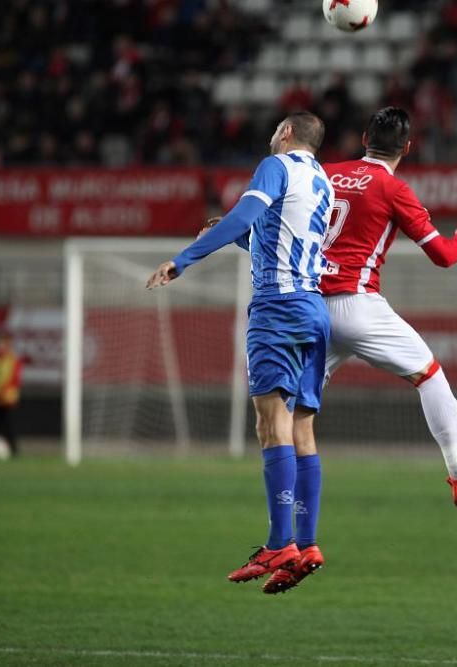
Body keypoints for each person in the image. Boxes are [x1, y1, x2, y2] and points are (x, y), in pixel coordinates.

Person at [146, 112, 331, 596]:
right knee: (301, 428)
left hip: (277, 307)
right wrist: (242, 238)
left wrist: (182, 259)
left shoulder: (278, 165)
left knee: (270, 425)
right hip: (314, 308)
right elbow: (278, 239)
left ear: (287, 133)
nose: (271, 135)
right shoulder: (323, 181)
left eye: (275, 129)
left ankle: (278, 543)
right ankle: (306, 544)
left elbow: (244, 215)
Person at [315, 106, 457, 511]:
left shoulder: (325, 172)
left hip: (309, 303)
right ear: (407, 147)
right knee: (430, 377)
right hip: (356, 305)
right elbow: (443, 256)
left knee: (294, 411)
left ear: (365, 138)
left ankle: (287, 521)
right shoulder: (394, 190)